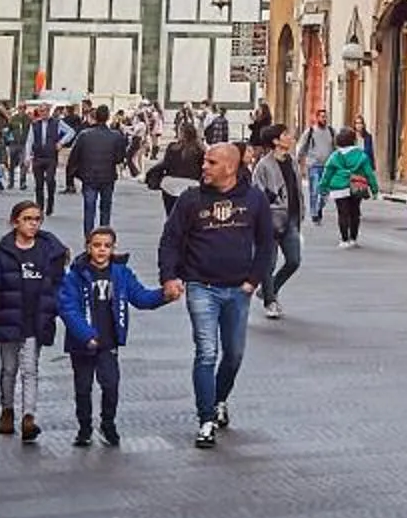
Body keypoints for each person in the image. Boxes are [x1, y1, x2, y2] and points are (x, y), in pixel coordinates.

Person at [158, 141, 280, 449]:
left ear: (230, 167)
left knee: (234, 354)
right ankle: (206, 419)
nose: (204, 167)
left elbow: (266, 244)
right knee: (206, 352)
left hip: (239, 289)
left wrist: (254, 281)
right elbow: (170, 240)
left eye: (211, 162)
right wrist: (169, 277)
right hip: (201, 286)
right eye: (205, 162)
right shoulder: (190, 199)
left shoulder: (254, 199)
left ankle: (220, 399)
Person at [57, 224, 166, 446]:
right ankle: (85, 427)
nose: (102, 250)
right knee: (83, 387)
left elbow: (141, 297)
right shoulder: (75, 276)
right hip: (82, 343)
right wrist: (86, 334)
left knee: (110, 384)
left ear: (113, 248)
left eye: (107, 246)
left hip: (108, 340)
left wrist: (164, 295)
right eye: (97, 245)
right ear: (88, 247)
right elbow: (68, 309)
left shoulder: (121, 273)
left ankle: (108, 424)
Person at [0, 202, 72, 442]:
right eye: (27, 219)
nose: (33, 223)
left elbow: (59, 284)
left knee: (31, 369)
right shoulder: (2, 252)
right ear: (15, 222)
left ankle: (29, 417)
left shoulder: (48, 251)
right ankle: (7, 409)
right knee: (9, 369)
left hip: (36, 318)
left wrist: (54, 307)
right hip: (9, 317)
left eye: (37, 219)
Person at [256, 127, 308, 319]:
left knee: (294, 260)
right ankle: (270, 301)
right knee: (268, 263)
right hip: (270, 220)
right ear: (276, 141)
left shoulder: (292, 161)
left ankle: (269, 289)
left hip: (291, 218)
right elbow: (258, 192)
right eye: (286, 135)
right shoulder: (264, 165)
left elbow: (297, 190)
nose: (290, 137)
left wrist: (301, 212)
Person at [67, 104, 131, 236]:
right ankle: (104, 234)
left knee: (89, 208)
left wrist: (72, 174)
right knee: (105, 208)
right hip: (107, 176)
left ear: (95, 117)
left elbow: (74, 156)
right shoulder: (116, 136)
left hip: (89, 176)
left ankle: (89, 237)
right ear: (107, 117)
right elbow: (119, 158)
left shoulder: (84, 135)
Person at [320, 130, 378, 244]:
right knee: (355, 212)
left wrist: (323, 187)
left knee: (342, 213)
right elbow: (369, 173)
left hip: (339, 187)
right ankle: (353, 238)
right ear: (354, 141)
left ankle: (344, 239)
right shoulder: (361, 155)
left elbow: (327, 173)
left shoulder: (335, 156)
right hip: (356, 185)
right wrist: (374, 189)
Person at [26, 104, 68, 214]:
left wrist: (61, 143)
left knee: (50, 180)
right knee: (38, 183)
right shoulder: (35, 124)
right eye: (40, 111)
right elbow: (30, 141)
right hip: (38, 156)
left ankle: (50, 202)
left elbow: (71, 132)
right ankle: (39, 206)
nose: (43, 113)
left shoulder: (57, 122)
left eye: (45, 111)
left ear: (48, 111)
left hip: (51, 156)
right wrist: (27, 156)